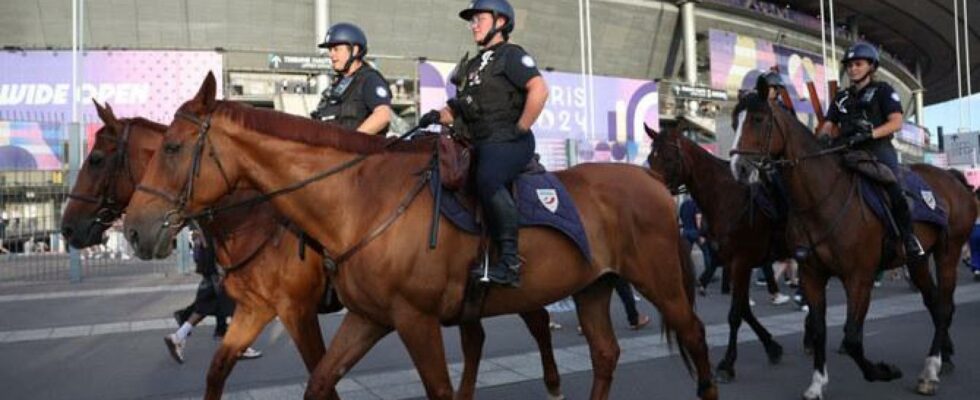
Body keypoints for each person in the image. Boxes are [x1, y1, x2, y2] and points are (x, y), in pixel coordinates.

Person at [417, 0, 549, 287]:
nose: (473, 25)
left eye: (480, 19)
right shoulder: (474, 64)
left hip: (509, 140)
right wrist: (435, 115)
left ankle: (511, 262)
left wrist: (521, 126)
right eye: (471, 20)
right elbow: (459, 108)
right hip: (480, 140)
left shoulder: (512, 55)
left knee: (487, 179)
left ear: (500, 22)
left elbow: (539, 89)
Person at [817, 42, 924, 259]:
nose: (853, 69)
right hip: (845, 152)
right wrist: (822, 138)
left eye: (858, 64)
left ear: (871, 67)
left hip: (878, 151)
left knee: (894, 189)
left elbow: (896, 123)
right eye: (850, 65)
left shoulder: (883, 91)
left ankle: (909, 238)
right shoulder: (841, 97)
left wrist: (870, 134)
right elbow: (827, 125)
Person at [165, 230, 261, 364]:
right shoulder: (211, 215)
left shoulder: (204, 218)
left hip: (210, 264)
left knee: (204, 307)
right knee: (238, 307)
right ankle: (240, 347)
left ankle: (178, 337)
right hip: (218, 266)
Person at [310, 22, 392, 135]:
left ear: (354, 50)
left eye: (336, 49)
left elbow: (382, 115)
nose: (331, 55)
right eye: (330, 50)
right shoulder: (337, 85)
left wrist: (352, 141)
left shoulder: (369, 79)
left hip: (359, 151)